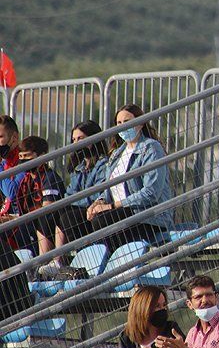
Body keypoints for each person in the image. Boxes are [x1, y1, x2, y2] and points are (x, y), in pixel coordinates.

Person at [87, 104, 172, 252]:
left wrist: (111, 206)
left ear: (140, 122)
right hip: (121, 214)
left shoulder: (151, 148)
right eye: (119, 123)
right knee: (71, 218)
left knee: (103, 219)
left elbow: (151, 192)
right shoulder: (117, 154)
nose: (122, 126)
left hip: (147, 217)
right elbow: (110, 189)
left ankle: (118, 263)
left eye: (127, 122)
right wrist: (98, 202)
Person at [10, 137, 66, 271]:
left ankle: (44, 263)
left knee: (42, 216)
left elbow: (47, 206)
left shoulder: (49, 177)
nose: (23, 160)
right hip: (30, 224)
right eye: (21, 156)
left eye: (27, 156)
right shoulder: (26, 180)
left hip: (52, 223)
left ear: (41, 156)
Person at [56, 120, 108, 255]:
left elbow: (98, 194)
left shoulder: (104, 164)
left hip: (93, 210)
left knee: (68, 216)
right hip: (80, 208)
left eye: (80, 138)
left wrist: (75, 201)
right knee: (55, 213)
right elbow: (70, 194)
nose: (76, 143)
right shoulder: (78, 167)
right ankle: (57, 260)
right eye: (73, 140)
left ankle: (80, 255)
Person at [119, 285, 185, 348]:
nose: (162, 309)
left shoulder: (171, 329)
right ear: (142, 309)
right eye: (157, 306)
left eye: (164, 305)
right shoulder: (126, 337)